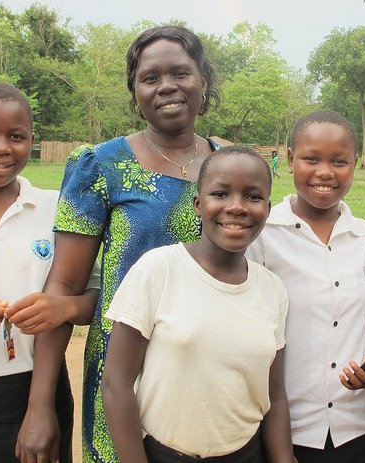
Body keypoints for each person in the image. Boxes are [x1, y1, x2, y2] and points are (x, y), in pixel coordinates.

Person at [17, 25, 221, 463]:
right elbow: (64, 285)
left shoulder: (230, 165)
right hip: (121, 378)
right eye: (150, 77)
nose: (167, 86)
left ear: (203, 80)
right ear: (135, 92)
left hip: (210, 374)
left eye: (181, 73)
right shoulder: (100, 165)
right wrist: (40, 406)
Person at [101, 145, 294, 463]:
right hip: (165, 454)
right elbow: (115, 383)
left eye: (253, 197)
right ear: (197, 204)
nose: (237, 207)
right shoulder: (159, 269)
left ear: (267, 209)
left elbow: (275, 396)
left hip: (247, 453)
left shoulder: (272, 289)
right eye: (220, 194)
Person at [0, 82, 99, 463]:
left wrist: (66, 309)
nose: (1, 148)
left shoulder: (58, 210)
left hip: (39, 393)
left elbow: (98, 296)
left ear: (31, 141)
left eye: (16, 136)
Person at [248, 110, 365, 463]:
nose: (325, 172)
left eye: (339, 161)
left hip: (358, 428)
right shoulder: (262, 237)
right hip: (284, 429)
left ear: (355, 163)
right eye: (311, 159)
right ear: (290, 159)